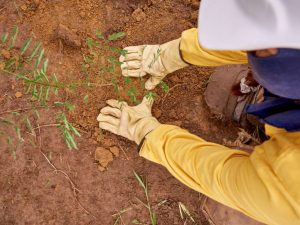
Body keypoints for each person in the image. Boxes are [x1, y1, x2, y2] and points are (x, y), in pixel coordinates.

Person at [97, 0, 300, 224]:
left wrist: (148, 135)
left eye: (258, 49)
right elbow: (256, 30)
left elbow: (218, 176)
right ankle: (279, 108)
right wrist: (172, 55)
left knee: (237, 209)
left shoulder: (290, 188)